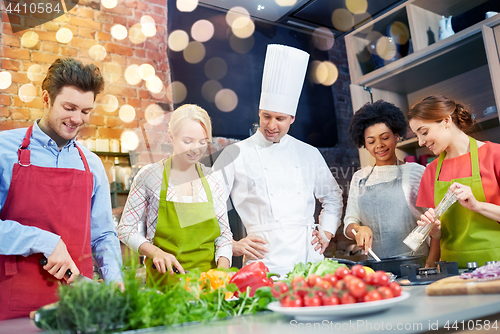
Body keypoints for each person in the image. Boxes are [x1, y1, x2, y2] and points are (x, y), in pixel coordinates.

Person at [0, 58, 123, 320]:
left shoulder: (91, 164)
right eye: (69, 107)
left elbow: (103, 235)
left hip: (80, 306)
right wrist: (43, 240)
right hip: (15, 305)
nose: (77, 119)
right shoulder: (4, 151)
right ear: (46, 98)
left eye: (86, 111)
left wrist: (116, 281)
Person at [214, 44, 343, 277]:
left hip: (309, 261)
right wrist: (230, 244)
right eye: (266, 116)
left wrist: (326, 231)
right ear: (259, 113)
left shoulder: (309, 153)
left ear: (292, 118)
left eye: (280, 119)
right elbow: (212, 205)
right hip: (263, 263)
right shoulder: (234, 154)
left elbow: (332, 196)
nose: (271, 125)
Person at [117, 104, 232, 285]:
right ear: (172, 136)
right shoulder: (149, 176)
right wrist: (156, 252)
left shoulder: (214, 179)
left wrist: (222, 272)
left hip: (207, 287)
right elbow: (125, 229)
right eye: (188, 141)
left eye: (203, 142)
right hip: (163, 286)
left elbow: (224, 236)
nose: (196, 149)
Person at [408, 95, 500, 268]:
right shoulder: (431, 171)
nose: (420, 142)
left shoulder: (495, 155)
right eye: (417, 136)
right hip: (451, 269)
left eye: (424, 132)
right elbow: (438, 238)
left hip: (496, 264)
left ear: (446, 120)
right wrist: (434, 232)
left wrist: (478, 206)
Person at [343, 100, 436, 263]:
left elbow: (435, 224)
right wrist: (358, 229)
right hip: (377, 265)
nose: (379, 145)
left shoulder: (415, 172)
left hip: (416, 263)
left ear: (397, 136)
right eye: (371, 141)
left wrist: (431, 264)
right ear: (364, 144)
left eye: (385, 137)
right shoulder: (360, 178)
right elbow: (349, 223)